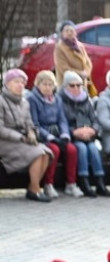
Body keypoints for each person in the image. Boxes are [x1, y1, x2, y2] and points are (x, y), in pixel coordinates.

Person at [1, 68, 55, 202]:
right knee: (37, 154)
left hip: (23, 139)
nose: (20, 85)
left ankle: (32, 187)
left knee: (46, 153)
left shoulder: (24, 102)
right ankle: (35, 190)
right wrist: (20, 137)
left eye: (22, 83)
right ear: (7, 84)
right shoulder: (1, 101)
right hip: (6, 141)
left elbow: (30, 123)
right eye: (16, 82)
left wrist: (32, 132)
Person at [27, 70, 78, 198]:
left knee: (72, 149)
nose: (48, 88)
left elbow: (62, 119)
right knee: (54, 150)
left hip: (58, 133)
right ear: (37, 84)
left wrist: (65, 135)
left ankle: (71, 184)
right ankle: (48, 184)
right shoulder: (32, 99)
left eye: (51, 84)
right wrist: (49, 137)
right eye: (44, 84)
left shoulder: (57, 99)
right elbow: (35, 123)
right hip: (42, 134)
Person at [59, 70, 107, 197]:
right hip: (72, 136)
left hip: (88, 135)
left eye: (78, 85)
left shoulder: (86, 99)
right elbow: (61, 122)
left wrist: (93, 130)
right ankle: (83, 181)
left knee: (93, 149)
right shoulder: (60, 101)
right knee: (81, 149)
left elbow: (95, 120)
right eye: (72, 85)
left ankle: (100, 181)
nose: (76, 88)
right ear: (65, 86)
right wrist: (74, 131)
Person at [53, 21, 93, 93]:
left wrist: (86, 73)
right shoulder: (60, 47)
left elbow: (87, 62)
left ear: (75, 32)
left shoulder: (79, 46)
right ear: (62, 33)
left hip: (81, 83)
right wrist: (80, 73)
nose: (69, 33)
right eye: (66, 31)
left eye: (71, 30)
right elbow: (63, 68)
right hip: (67, 84)